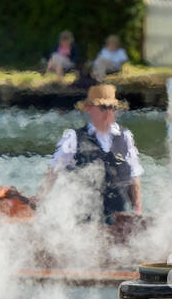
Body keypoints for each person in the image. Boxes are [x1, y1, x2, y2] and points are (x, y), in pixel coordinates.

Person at [38, 83, 142, 223]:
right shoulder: (73, 138)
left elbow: (134, 177)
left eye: (112, 108)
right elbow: (53, 172)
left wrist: (137, 210)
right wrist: (39, 201)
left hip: (118, 221)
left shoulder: (126, 137)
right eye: (103, 107)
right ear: (89, 109)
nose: (108, 112)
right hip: (83, 221)